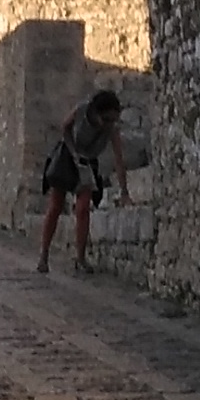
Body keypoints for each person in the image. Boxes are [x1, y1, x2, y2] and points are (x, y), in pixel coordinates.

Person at [36, 83, 130, 273]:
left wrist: (124, 191)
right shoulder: (81, 111)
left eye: (113, 119)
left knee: (83, 208)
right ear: (96, 113)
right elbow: (65, 127)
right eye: (106, 119)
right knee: (55, 206)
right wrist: (72, 152)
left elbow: (119, 159)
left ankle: (80, 257)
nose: (109, 123)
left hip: (88, 162)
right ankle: (43, 255)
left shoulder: (112, 129)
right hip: (68, 155)